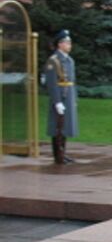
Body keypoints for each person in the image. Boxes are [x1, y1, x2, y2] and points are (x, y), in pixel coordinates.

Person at [44, 29, 79, 164]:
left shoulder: (69, 60)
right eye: (67, 43)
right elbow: (52, 83)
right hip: (60, 97)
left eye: (69, 43)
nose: (69, 45)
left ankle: (63, 153)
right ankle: (58, 155)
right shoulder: (54, 61)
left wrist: (74, 98)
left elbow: (72, 82)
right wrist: (57, 101)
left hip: (68, 96)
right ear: (60, 44)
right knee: (57, 127)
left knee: (65, 127)